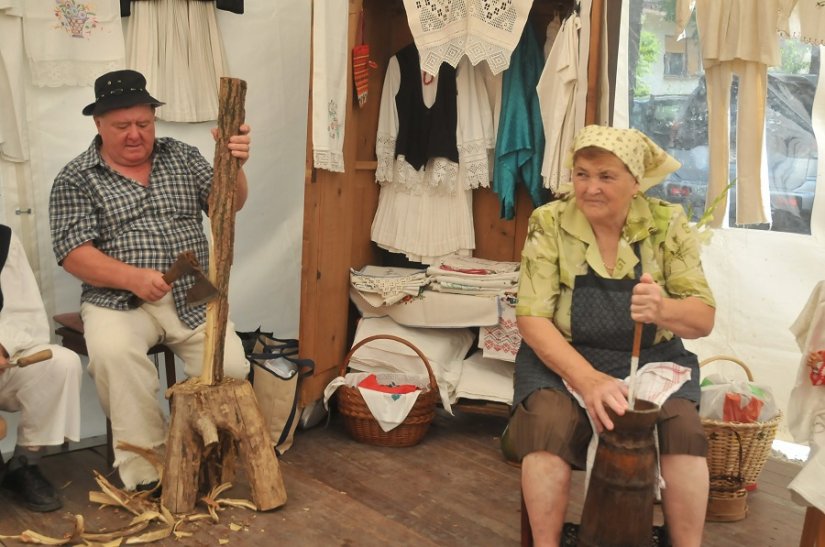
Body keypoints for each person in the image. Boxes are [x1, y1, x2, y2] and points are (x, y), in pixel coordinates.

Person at [508, 125, 716, 547]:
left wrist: (664, 309)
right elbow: (532, 319)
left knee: (683, 435)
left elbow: (703, 319)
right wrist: (588, 381)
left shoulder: (666, 223)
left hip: (652, 359)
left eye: (606, 176)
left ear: (636, 182)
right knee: (546, 429)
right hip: (563, 357)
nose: (590, 188)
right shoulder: (549, 222)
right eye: (582, 174)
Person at [49, 69, 251, 492]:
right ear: (98, 124)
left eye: (143, 123)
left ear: (154, 120)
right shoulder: (76, 177)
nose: (135, 135)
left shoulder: (181, 155)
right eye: (122, 126)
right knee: (114, 356)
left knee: (231, 366)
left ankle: (207, 455)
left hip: (192, 287)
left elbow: (224, 206)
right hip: (115, 300)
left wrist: (236, 166)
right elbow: (73, 253)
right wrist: (132, 278)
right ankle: (150, 471)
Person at [0, 225, 82, 512]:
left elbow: (26, 315)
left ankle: (24, 464)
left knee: (60, 363)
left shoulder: (3, 239)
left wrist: (3, 346)